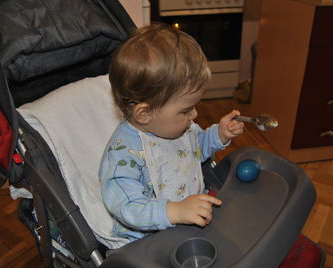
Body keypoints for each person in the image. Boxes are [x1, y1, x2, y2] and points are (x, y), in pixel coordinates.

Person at [99, 23, 244, 245]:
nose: (194, 115)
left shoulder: (179, 127)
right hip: (149, 240)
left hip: (193, 218)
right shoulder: (123, 156)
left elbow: (195, 149)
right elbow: (127, 207)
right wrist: (174, 211)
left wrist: (219, 134)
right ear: (145, 113)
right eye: (185, 110)